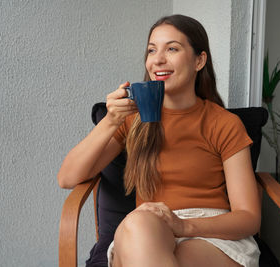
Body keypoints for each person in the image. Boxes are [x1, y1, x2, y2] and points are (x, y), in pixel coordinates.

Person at [58, 14, 261, 267]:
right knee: (139, 225)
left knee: (149, 246)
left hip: (211, 234)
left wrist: (183, 226)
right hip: (147, 229)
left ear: (199, 60)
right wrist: (110, 121)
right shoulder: (132, 121)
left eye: (172, 49)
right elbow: (67, 178)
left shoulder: (224, 124)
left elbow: (249, 217)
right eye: (152, 50)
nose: (158, 60)